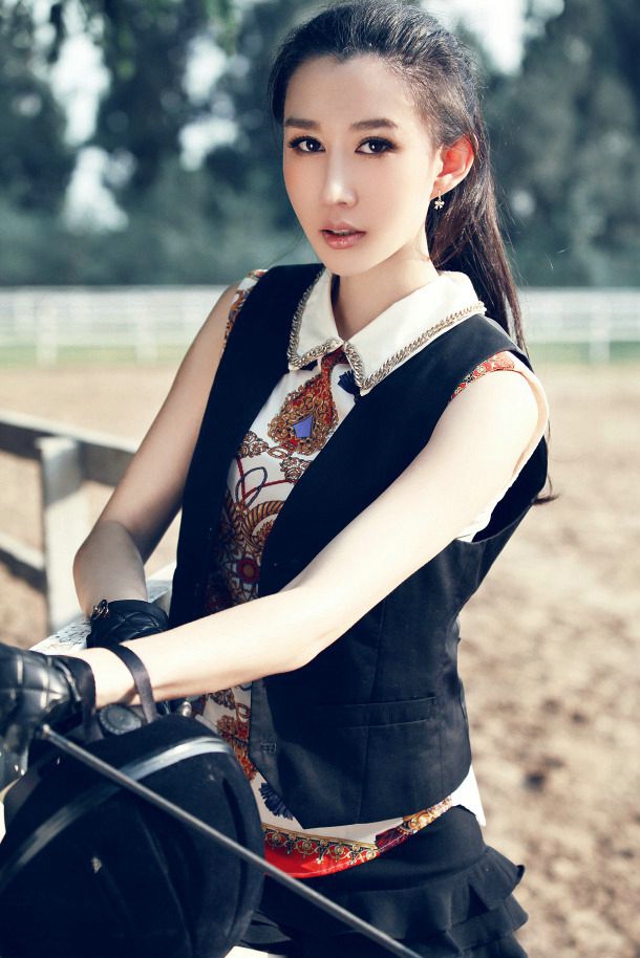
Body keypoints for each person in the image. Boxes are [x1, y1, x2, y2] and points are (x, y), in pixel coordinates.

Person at [0, 2, 550, 956]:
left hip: (376, 868)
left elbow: (309, 617)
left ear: (448, 162)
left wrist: (92, 676)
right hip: (184, 819)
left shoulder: (490, 390)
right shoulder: (248, 311)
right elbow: (116, 532)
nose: (332, 187)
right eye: (306, 144)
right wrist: (128, 626)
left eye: (374, 145)